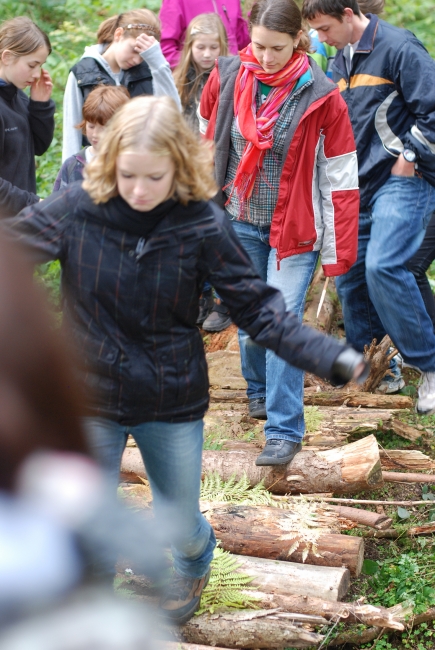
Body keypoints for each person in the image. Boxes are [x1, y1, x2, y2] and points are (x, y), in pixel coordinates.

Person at [2, 95, 367, 624]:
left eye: (155, 177)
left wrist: (329, 356)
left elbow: (259, 311)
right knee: (88, 521)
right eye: (128, 175)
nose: (139, 190)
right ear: (109, 164)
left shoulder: (202, 224)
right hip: (89, 391)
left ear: (179, 165)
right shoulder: (78, 207)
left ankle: (194, 561)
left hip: (169, 396)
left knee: (180, 521)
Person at [199, 0, 359, 465]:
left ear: (298, 42)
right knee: (251, 326)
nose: (266, 57)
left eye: (277, 48)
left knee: (281, 324)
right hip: (237, 220)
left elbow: (340, 176)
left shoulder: (322, 96)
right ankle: (259, 388)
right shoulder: (228, 75)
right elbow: (205, 138)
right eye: (259, 46)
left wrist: (337, 249)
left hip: (293, 230)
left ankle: (284, 429)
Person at [302, 0, 435, 412]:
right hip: (356, 187)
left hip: (402, 181)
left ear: (347, 14)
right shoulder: (340, 60)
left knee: (385, 266)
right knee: (350, 274)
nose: (319, 39)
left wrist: (410, 157)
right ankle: (377, 369)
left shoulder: (398, 47)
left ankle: (429, 365)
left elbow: (432, 111)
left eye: (324, 29)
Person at [62, 9, 180, 162]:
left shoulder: (150, 71)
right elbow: (71, 132)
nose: (137, 60)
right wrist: (67, 179)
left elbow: (174, 115)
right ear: (118, 35)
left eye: (143, 55)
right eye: (133, 50)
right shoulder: (82, 73)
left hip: (138, 167)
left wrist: (158, 63)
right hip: (95, 170)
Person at [174, 13, 229, 329]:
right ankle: (200, 294)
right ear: (189, 48)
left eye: (214, 47)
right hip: (188, 171)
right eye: (201, 48)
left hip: (218, 171)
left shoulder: (231, 75)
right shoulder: (179, 80)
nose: (207, 54)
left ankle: (224, 299)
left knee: (218, 233)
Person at [0, 16, 54, 218]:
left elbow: (39, 147)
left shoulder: (18, 96)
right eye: (32, 65)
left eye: (41, 65)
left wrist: (40, 105)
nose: (37, 73)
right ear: (6, 57)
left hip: (16, 220)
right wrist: (34, 203)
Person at [54, 86, 130, 192]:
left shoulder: (130, 163)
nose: (95, 134)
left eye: (103, 128)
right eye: (91, 126)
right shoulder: (72, 165)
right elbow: (57, 204)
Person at [160, 0, 250, 70]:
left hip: (228, 76)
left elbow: (241, 39)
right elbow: (165, 47)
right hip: (193, 82)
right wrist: (192, 70)